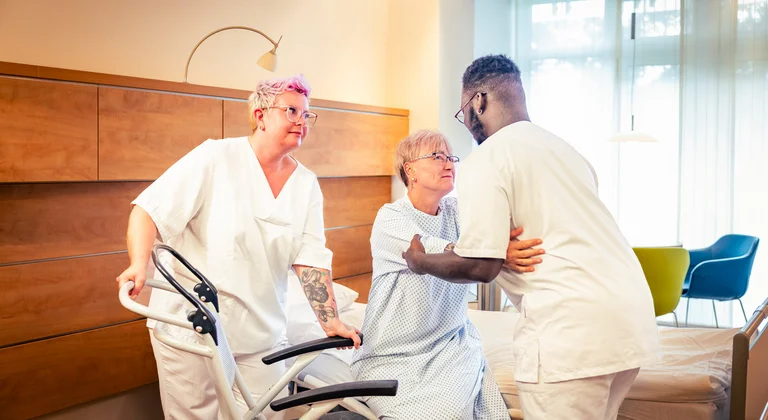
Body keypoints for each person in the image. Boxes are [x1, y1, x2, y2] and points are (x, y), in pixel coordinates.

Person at [402, 55, 660, 420]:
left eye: (464, 112)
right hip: (629, 319)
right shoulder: (566, 151)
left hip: (572, 331)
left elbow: (481, 265)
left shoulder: (487, 157)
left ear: (479, 101)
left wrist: (420, 261)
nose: (467, 125)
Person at [115, 74, 360, 419]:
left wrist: (331, 321)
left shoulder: (305, 185)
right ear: (260, 115)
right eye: (291, 111)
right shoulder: (215, 158)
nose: (301, 122)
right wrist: (139, 263)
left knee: (263, 415)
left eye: (306, 115)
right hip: (191, 327)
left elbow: (311, 261)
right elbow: (148, 211)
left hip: (261, 334)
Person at [351, 130, 544, 419]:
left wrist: (500, 243)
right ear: (410, 170)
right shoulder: (391, 218)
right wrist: (498, 251)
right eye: (436, 156)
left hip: (450, 341)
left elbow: (488, 232)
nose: (449, 163)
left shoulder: (455, 210)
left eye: (450, 156)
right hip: (393, 354)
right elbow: (437, 252)